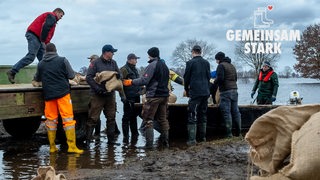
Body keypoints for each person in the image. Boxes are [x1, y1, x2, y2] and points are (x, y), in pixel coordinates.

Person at [33, 43, 83, 154]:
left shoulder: (41, 64)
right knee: (68, 119)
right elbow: (71, 76)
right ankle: (72, 146)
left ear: (46, 52)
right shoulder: (62, 60)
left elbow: (37, 78)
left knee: (51, 121)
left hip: (49, 96)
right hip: (63, 94)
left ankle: (52, 147)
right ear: (55, 51)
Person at [123, 47, 170, 149]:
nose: (148, 56)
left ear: (151, 55)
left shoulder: (152, 65)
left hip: (154, 96)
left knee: (148, 119)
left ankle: (149, 145)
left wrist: (131, 82)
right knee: (163, 119)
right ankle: (165, 142)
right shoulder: (165, 66)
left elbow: (144, 80)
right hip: (165, 96)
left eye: (148, 54)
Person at [7, 8, 65, 84]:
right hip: (34, 35)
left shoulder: (51, 19)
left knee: (43, 60)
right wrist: (44, 41)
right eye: (61, 16)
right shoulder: (51, 16)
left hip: (39, 38)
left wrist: (46, 43)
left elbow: (47, 31)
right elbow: (46, 27)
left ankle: (40, 79)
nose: (61, 18)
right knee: (31, 56)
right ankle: (12, 71)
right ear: (57, 12)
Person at [85, 44, 122, 146]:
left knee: (111, 117)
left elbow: (119, 75)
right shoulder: (95, 63)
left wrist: (119, 75)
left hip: (110, 95)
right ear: (106, 52)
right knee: (93, 118)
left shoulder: (113, 63)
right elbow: (89, 77)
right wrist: (98, 89)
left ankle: (111, 141)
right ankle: (87, 142)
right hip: (97, 95)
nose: (113, 54)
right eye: (112, 52)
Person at [183, 45, 211, 146]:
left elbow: (186, 78)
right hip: (205, 92)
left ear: (193, 52)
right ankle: (202, 138)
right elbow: (208, 77)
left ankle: (192, 140)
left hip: (195, 92)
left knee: (192, 114)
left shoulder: (190, 63)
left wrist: (186, 89)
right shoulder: (206, 63)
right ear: (201, 51)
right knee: (203, 113)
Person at [214, 51, 241, 138]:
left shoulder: (221, 66)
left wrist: (214, 82)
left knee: (226, 112)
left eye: (216, 60)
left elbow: (220, 79)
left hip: (226, 91)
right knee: (236, 112)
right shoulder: (232, 66)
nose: (216, 62)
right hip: (234, 90)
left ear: (219, 59)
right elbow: (235, 78)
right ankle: (238, 133)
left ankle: (229, 134)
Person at [120, 53, 141, 143]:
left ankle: (135, 135)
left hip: (136, 96)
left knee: (134, 116)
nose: (136, 61)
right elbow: (120, 85)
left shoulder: (135, 69)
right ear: (130, 60)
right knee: (126, 117)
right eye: (135, 59)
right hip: (128, 97)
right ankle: (126, 137)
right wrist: (123, 97)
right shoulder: (124, 69)